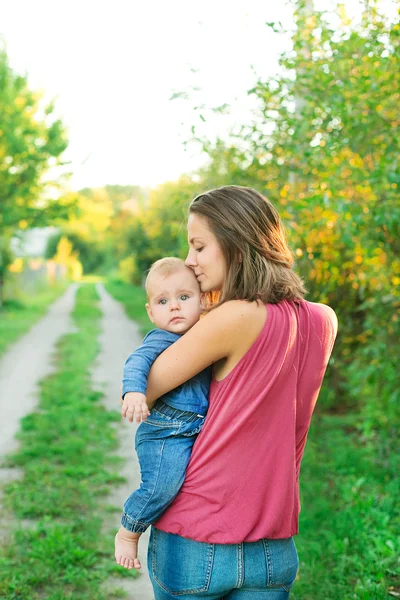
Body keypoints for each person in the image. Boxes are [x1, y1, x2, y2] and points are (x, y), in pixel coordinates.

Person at [121, 185, 338, 598]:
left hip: (197, 538)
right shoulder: (323, 320)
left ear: (235, 242)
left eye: (200, 246)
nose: (189, 260)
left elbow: (146, 387)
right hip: (274, 547)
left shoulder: (231, 318)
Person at [114, 257, 211, 570]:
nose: (175, 307)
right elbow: (137, 362)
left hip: (188, 429)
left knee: (183, 486)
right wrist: (134, 392)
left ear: (203, 300)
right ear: (150, 311)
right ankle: (129, 530)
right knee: (160, 487)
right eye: (163, 301)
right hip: (163, 430)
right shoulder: (161, 338)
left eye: (184, 297)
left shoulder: (208, 333)